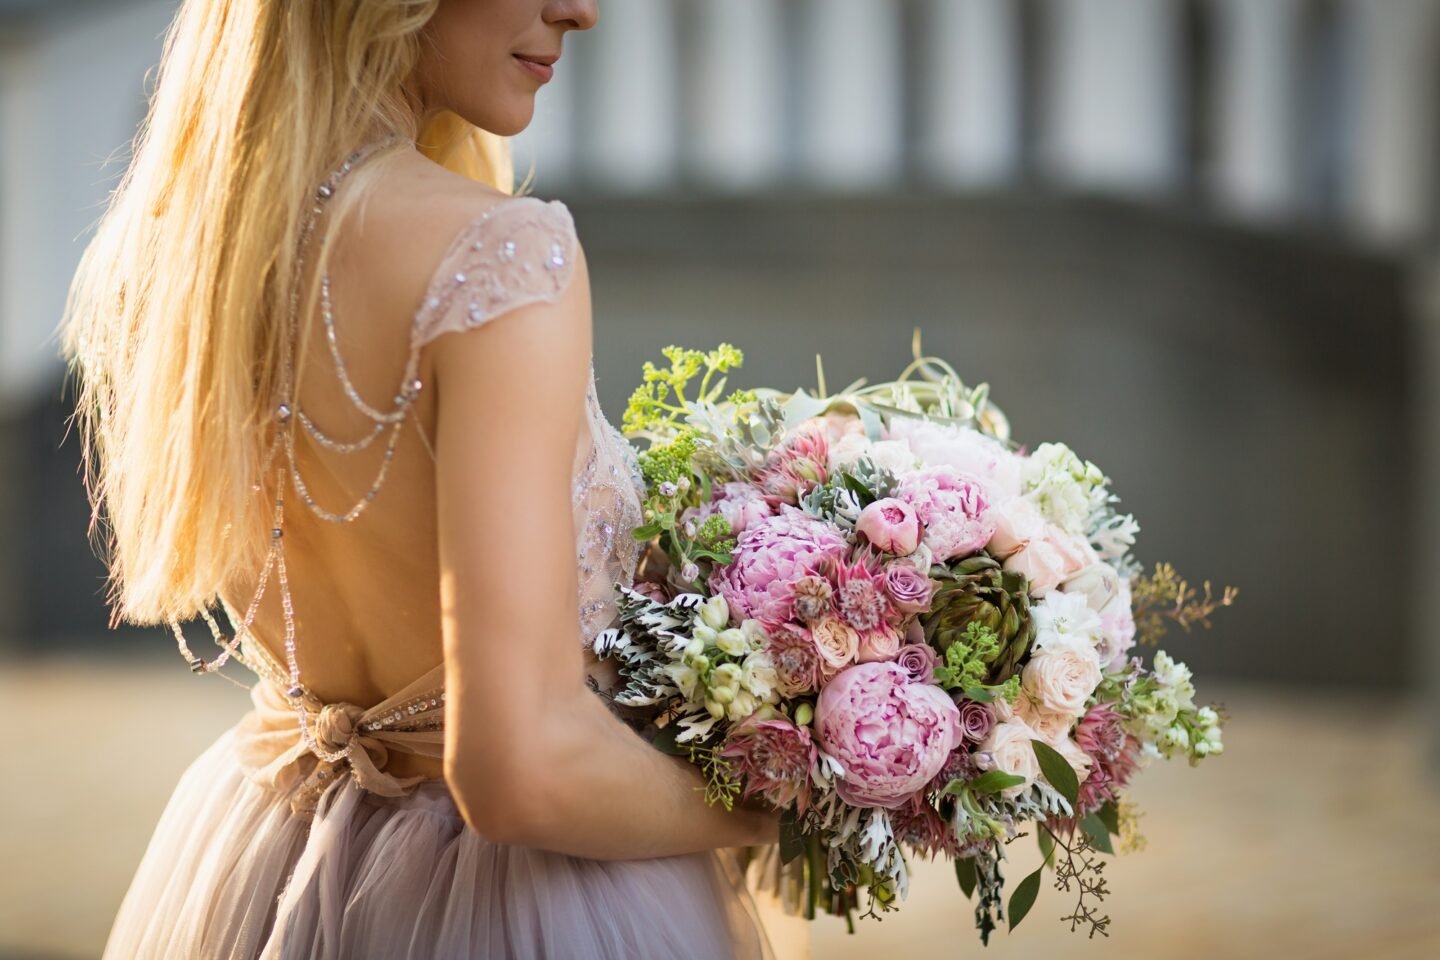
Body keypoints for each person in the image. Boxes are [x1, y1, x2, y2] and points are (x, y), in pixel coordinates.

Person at [62, 1, 797, 956]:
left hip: (272, 866)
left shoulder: (176, 267)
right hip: (529, 909)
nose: (582, 10)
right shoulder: (496, 256)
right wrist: (801, 798)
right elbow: (520, 772)